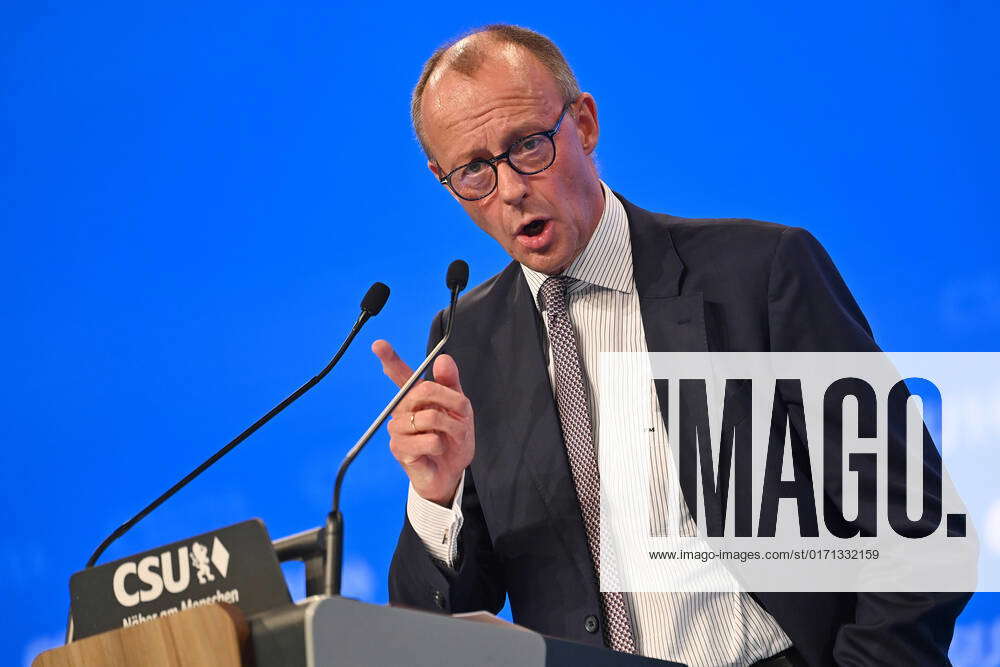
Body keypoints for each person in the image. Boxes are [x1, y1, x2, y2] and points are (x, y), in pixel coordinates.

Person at [372, 24, 968, 667]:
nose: (511, 188)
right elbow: (439, 626)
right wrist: (436, 496)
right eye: (474, 171)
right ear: (443, 178)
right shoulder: (465, 344)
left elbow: (918, 525)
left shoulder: (760, 275)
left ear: (585, 123)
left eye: (528, 147)